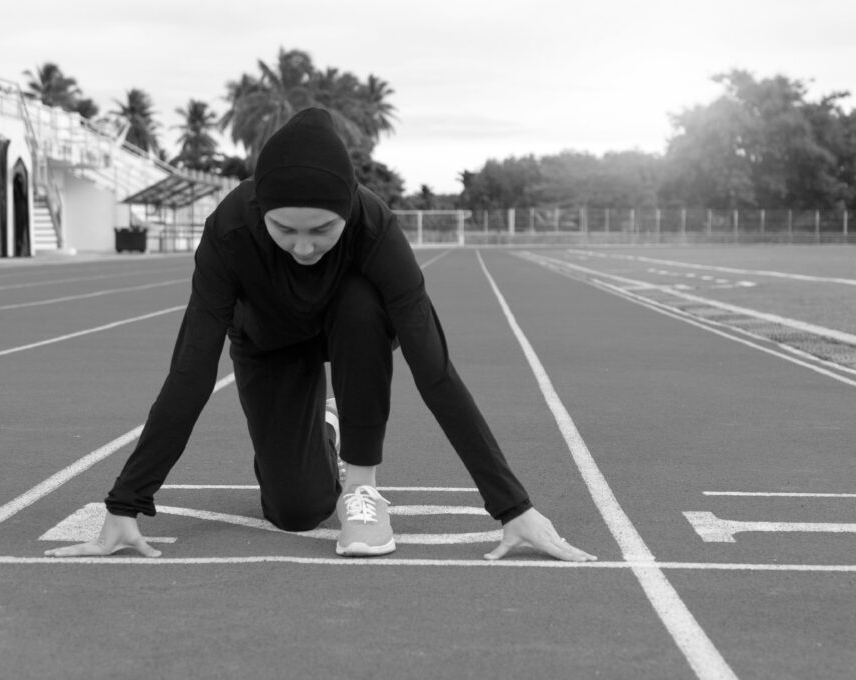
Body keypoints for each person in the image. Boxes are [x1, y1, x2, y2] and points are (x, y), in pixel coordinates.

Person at [45, 108, 595, 562]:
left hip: (350, 331)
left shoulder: (376, 228)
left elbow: (434, 369)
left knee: (359, 306)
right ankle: (319, 434)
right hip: (267, 341)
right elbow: (191, 370)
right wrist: (127, 503)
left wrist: (512, 506)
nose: (304, 248)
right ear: (261, 208)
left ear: (348, 210)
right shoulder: (229, 233)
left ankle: (361, 487)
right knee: (295, 511)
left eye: (322, 230)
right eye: (285, 230)